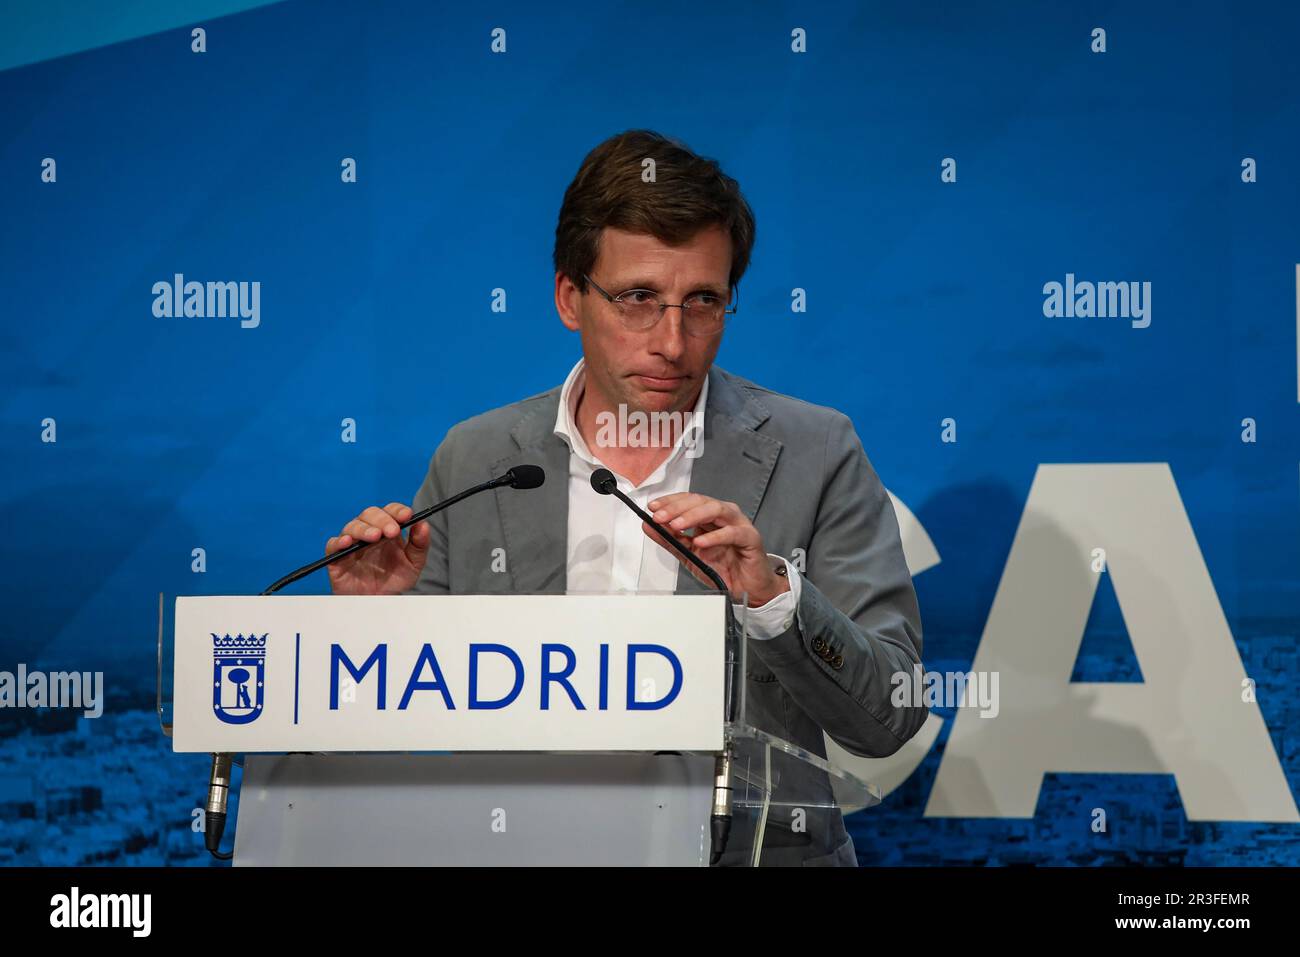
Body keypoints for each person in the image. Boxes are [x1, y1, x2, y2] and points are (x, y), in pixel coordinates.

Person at [325, 129, 926, 865]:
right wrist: (370, 628)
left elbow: (891, 715)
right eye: (639, 298)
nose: (673, 341)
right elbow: (403, 716)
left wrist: (774, 598)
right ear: (569, 297)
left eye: (703, 302)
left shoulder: (818, 450)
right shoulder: (477, 458)